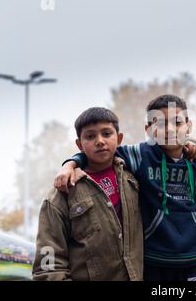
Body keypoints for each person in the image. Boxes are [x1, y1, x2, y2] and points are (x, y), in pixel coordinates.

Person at [57, 95, 196, 281]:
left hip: (195, 256)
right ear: (148, 130)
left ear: (189, 125)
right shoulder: (139, 154)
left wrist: (194, 143)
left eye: (177, 122)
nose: (168, 129)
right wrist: (70, 164)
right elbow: (101, 151)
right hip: (153, 258)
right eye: (159, 124)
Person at [33, 107, 143, 281]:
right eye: (90, 136)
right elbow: (49, 267)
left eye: (107, 134)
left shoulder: (135, 177)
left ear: (119, 138)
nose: (100, 141)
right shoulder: (63, 192)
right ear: (79, 144)